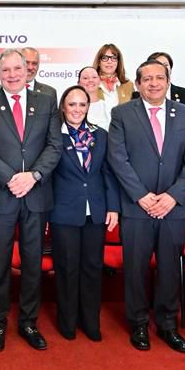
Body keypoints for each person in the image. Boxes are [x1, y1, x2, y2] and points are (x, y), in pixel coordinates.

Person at [0, 48, 63, 351]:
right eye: (6, 70)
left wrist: (33, 176)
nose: (12, 75)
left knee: (33, 263)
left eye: (17, 69)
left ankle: (28, 322)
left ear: (27, 71)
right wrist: (12, 178)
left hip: (36, 195)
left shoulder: (47, 102)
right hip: (1, 195)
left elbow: (54, 146)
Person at [108, 59, 185, 353]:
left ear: (168, 80)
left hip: (173, 207)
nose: (153, 83)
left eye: (159, 77)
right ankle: (137, 323)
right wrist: (141, 195)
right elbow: (117, 159)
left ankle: (167, 324)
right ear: (137, 84)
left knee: (170, 267)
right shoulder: (122, 113)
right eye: (146, 79)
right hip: (137, 207)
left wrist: (173, 195)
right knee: (135, 267)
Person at [50, 85, 119, 342]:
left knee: (92, 267)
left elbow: (109, 173)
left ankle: (90, 321)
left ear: (88, 107)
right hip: (64, 212)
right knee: (67, 268)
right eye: (72, 104)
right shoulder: (54, 136)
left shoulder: (100, 135)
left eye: (82, 104)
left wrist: (113, 207)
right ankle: (67, 322)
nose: (77, 109)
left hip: (96, 211)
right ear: (63, 107)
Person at [91, 43, 133, 121]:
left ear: (118, 62)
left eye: (114, 58)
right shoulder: (90, 85)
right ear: (99, 62)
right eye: (105, 58)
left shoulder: (128, 85)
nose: (109, 61)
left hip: (122, 131)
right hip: (97, 131)